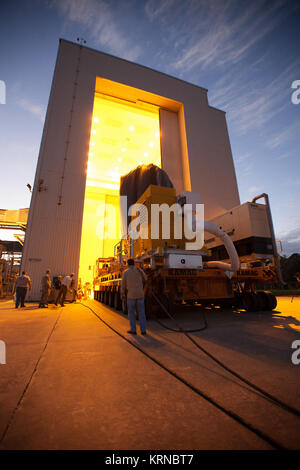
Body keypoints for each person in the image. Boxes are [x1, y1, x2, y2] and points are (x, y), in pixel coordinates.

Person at [121, 259, 147, 335]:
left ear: (128, 264)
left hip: (131, 296)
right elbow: (145, 279)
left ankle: (133, 330)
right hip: (140, 294)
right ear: (134, 264)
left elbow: (123, 284)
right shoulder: (139, 270)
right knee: (141, 313)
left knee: (131, 313)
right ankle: (143, 330)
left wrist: (122, 293)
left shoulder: (125, 272)